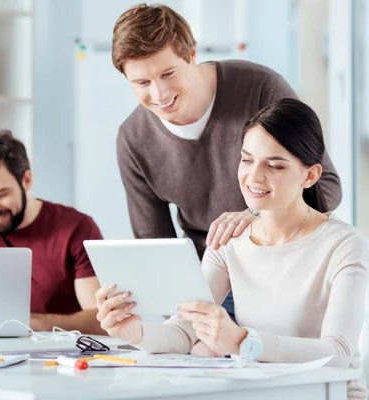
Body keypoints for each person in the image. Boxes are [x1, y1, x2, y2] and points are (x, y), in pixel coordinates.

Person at [96, 98, 369, 399]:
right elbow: (183, 331)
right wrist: (132, 331)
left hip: (329, 394)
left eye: (274, 165)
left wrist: (244, 341)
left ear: (310, 175)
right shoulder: (230, 239)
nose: (254, 176)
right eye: (247, 160)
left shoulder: (344, 245)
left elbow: (339, 352)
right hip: (260, 392)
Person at [112, 4, 343, 317]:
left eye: (168, 73)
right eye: (142, 83)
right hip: (208, 282)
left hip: (287, 273)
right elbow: (156, 247)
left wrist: (255, 216)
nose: (160, 93)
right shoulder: (133, 138)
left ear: (191, 54)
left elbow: (327, 188)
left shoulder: (260, 88)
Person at [0, 130, 105, 335]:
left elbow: (99, 320)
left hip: (60, 356)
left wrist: (28, 323)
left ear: (27, 180)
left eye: (1, 194)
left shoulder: (77, 228)